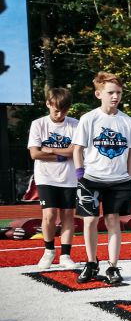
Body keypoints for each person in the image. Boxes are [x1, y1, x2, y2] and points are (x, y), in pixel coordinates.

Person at [71, 72, 131, 286]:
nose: (115, 96)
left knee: (113, 221)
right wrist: (80, 174)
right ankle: (91, 263)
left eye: (119, 92)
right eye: (110, 92)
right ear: (98, 93)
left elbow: (130, 153)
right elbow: (77, 149)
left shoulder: (128, 122)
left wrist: (128, 176)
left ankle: (112, 266)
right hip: (91, 178)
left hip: (119, 181)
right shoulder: (89, 119)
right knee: (90, 221)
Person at [28, 86, 78, 270]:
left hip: (69, 178)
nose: (59, 114)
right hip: (46, 177)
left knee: (67, 216)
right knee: (49, 215)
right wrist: (60, 155)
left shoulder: (75, 124)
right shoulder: (38, 124)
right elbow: (35, 154)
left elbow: (75, 151)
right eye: (56, 110)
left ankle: (65, 255)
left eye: (64, 110)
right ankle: (49, 251)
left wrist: (51, 150)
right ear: (48, 104)